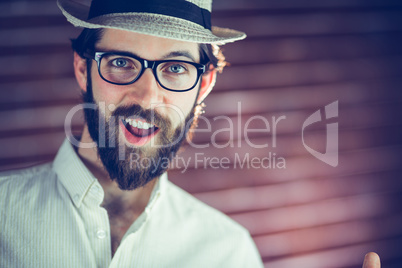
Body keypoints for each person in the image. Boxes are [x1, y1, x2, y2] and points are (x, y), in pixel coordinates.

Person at [0, 0, 381, 267]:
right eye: (120, 62)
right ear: (83, 69)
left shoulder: (228, 253)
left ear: (205, 84)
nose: (148, 98)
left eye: (175, 69)